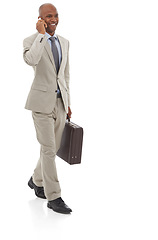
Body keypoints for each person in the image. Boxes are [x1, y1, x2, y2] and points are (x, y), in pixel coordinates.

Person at [23, 3, 72, 214]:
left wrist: (68, 103)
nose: (53, 19)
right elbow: (30, 60)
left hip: (60, 104)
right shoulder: (31, 41)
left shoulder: (65, 42)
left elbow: (65, 75)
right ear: (40, 19)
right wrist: (41, 35)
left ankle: (36, 179)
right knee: (49, 149)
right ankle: (54, 197)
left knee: (51, 148)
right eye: (48, 16)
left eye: (56, 15)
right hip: (41, 105)